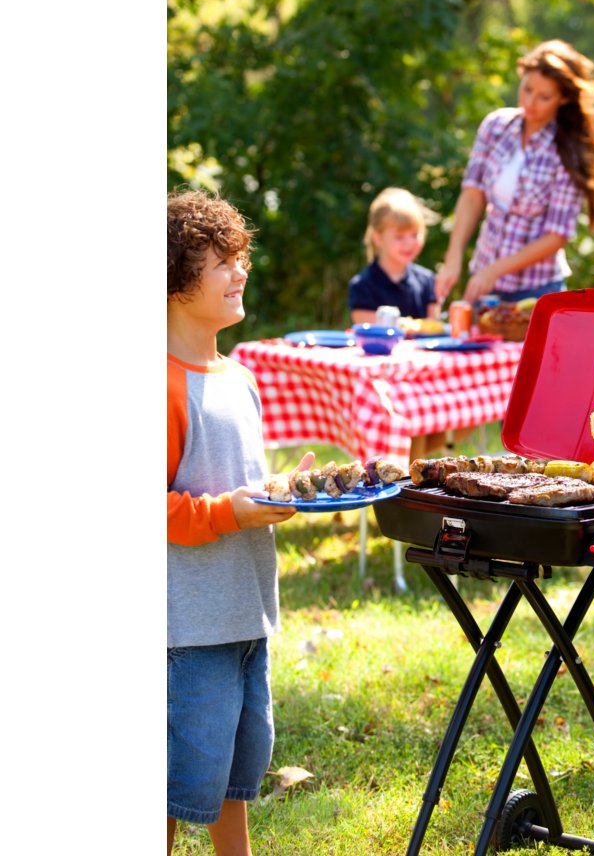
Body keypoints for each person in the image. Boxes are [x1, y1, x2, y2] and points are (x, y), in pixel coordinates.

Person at [167, 189, 313, 855]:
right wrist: (231, 511)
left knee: (233, 773)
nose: (240, 271)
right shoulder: (156, 385)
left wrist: (284, 489)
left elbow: (239, 486)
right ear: (171, 279)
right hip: (184, 629)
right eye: (221, 261)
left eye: (241, 257)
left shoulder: (240, 377)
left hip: (246, 614)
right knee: (169, 782)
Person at [435, 39, 594, 305]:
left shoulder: (567, 151)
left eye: (544, 97)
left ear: (563, 98)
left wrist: (495, 270)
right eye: (527, 89)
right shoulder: (495, 127)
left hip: (536, 291)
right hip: (483, 284)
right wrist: (453, 257)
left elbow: (556, 236)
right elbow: (472, 195)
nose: (530, 102)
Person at [348, 187, 441, 324]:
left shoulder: (428, 281)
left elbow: (433, 327)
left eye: (415, 235)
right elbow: (368, 329)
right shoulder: (362, 285)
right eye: (399, 237)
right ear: (378, 238)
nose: (409, 243)